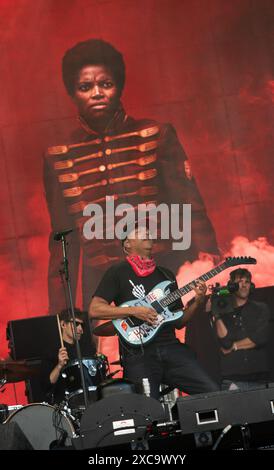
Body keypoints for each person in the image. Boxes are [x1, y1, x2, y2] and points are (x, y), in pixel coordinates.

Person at [43, 38, 219, 315]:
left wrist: (208, 260)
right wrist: (60, 310)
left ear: (119, 86)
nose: (97, 93)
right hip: (102, 281)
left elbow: (189, 207)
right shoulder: (59, 156)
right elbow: (62, 241)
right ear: (72, 93)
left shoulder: (157, 134)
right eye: (85, 87)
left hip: (165, 266)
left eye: (106, 84)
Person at [89, 223, 219, 399]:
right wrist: (135, 311)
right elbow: (95, 309)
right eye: (140, 232)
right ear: (127, 244)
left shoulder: (166, 275)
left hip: (171, 347)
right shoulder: (117, 272)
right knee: (146, 411)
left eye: (148, 232)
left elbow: (180, 322)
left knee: (212, 392)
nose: (147, 233)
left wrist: (198, 301)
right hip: (139, 354)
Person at [210, 268, 271, 391]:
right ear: (231, 286)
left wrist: (234, 346)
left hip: (261, 378)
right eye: (240, 281)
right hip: (233, 380)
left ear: (251, 286)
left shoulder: (261, 309)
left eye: (247, 282)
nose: (244, 285)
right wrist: (216, 314)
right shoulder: (223, 312)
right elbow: (225, 342)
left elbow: (260, 337)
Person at [40, 308, 97, 404]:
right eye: (76, 324)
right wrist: (59, 365)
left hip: (90, 400)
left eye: (82, 325)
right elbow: (47, 385)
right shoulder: (52, 352)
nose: (80, 329)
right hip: (65, 404)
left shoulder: (87, 349)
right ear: (63, 324)